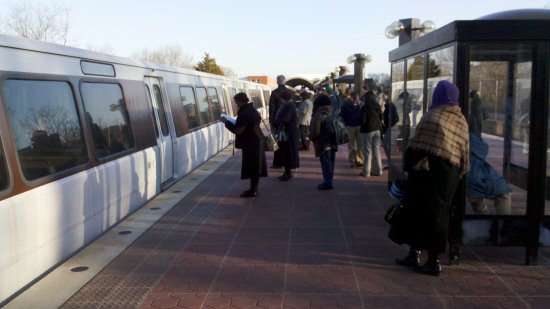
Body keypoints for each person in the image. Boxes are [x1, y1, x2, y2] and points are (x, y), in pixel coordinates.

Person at [389, 80, 469, 276]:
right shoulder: (460, 119)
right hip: (450, 176)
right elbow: (463, 151)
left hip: (428, 174)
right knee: (437, 215)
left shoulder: (432, 116)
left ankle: (432, 261)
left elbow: (416, 147)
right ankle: (415, 254)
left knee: (422, 213)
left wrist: (407, 168)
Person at [221, 92, 267, 197]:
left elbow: (238, 130)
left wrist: (226, 122)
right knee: (256, 166)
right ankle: (254, 189)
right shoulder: (252, 109)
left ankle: (253, 191)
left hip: (251, 142)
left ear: (240, 101)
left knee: (253, 167)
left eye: (236, 102)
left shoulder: (244, 113)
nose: (236, 104)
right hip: (258, 139)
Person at [467, 133, 512, 215]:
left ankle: (483, 215)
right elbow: (484, 148)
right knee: (504, 192)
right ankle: (504, 221)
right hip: (470, 188)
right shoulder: (471, 141)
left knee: (478, 193)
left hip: (455, 189)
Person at [310, 94, 337, 190]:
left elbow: (315, 131)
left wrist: (311, 137)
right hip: (333, 140)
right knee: (331, 162)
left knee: (325, 162)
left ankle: (327, 182)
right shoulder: (332, 112)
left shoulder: (318, 114)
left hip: (323, 142)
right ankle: (330, 180)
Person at [272, 90, 300, 181]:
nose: (280, 99)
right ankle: (287, 172)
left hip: (288, 134)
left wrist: (275, 121)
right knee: (286, 153)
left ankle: (287, 173)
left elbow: (286, 119)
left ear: (284, 98)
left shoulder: (289, 106)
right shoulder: (289, 105)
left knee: (287, 153)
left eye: (281, 98)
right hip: (289, 133)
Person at [359, 91, 383, 177]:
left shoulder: (364, 108)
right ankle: (378, 171)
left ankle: (366, 172)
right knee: (376, 150)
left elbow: (363, 121)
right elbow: (381, 118)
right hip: (377, 130)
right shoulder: (378, 106)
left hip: (367, 131)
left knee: (367, 152)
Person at [339, 92, 363, 167]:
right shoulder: (346, 105)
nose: (356, 100)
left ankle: (359, 160)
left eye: (357, 98)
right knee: (351, 145)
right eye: (354, 98)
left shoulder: (361, 105)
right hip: (350, 126)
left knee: (360, 144)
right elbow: (341, 115)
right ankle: (352, 160)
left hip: (359, 126)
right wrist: (345, 123)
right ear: (351, 98)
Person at [268, 75, 287, 169]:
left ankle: (277, 163)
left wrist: (271, 121)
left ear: (277, 81)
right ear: (285, 81)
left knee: (276, 142)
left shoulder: (274, 93)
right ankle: (285, 162)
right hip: (287, 122)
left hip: (276, 122)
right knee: (286, 142)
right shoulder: (290, 92)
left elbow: (271, 108)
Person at [382, 90, 399, 157]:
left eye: (384, 96)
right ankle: (389, 162)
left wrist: (389, 125)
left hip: (390, 127)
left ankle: (390, 160)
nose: (383, 97)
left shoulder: (389, 105)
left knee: (386, 144)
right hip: (389, 126)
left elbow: (392, 117)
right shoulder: (388, 105)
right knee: (386, 144)